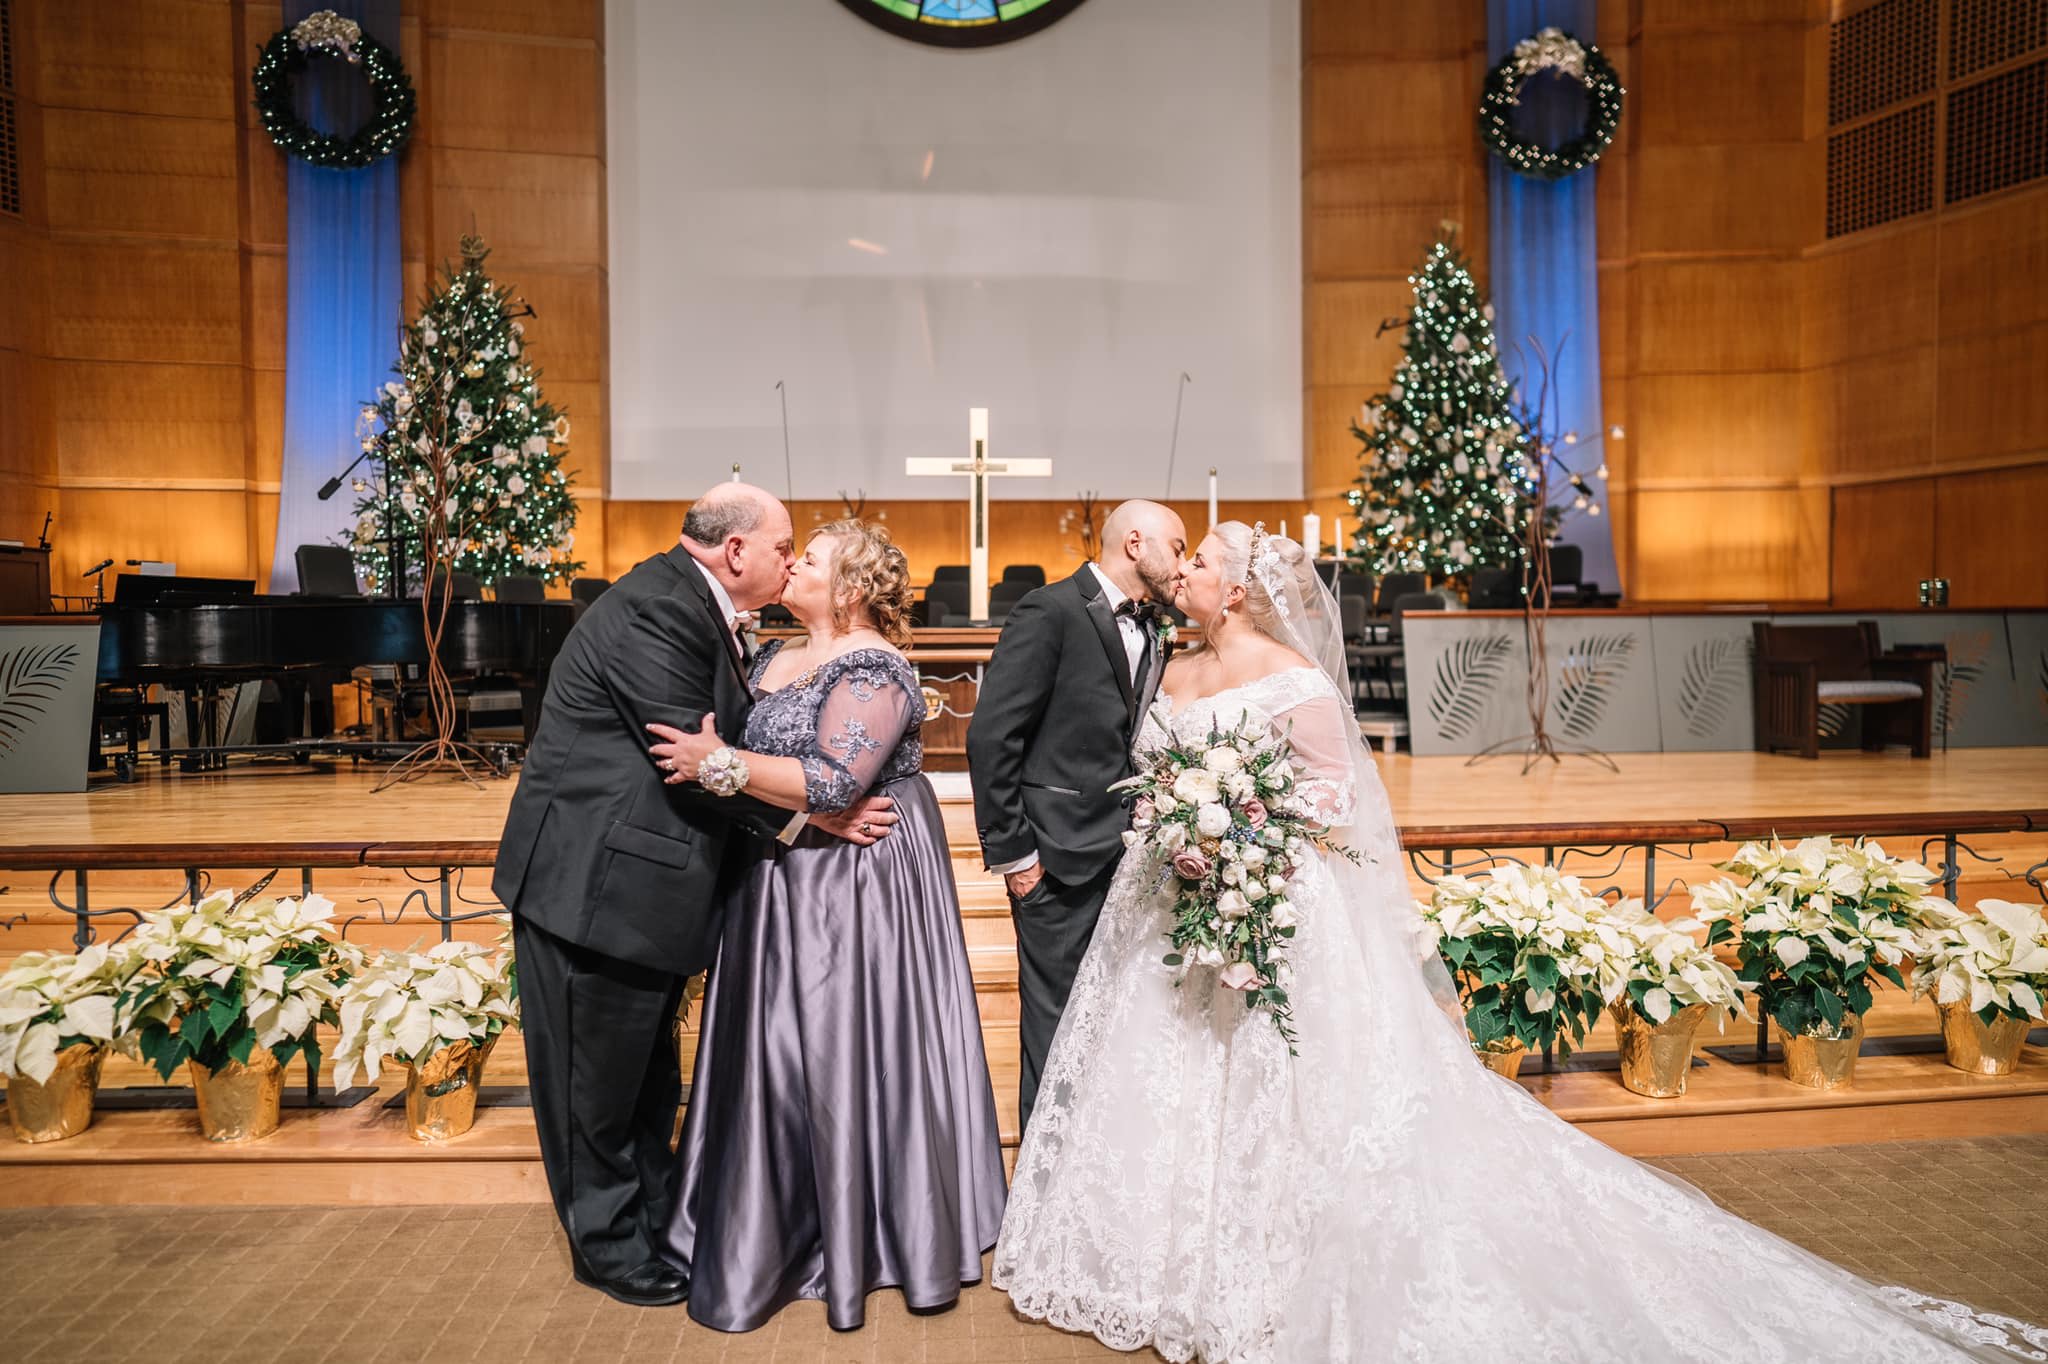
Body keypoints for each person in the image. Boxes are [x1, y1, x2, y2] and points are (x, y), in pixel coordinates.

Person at [993, 521, 2048, 1363]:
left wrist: (1239, 831)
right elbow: (1144, 766)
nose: (1182, 571)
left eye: (1202, 562)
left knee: (1281, 1076)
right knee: (1166, 1066)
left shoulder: (1295, 681)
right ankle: (1149, 1252)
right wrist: (1178, 821)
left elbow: (1334, 799)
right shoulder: (1169, 667)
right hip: (1167, 905)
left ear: (1237, 591)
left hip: (1267, 898)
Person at [492, 484, 896, 1309]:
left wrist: (783, 790)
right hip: (595, 887)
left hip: (640, 890)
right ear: (736, 550)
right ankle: (608, 1248)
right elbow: (695, 758)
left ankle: (650, 1221)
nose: (789, 561)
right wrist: (814, 813)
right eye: (782, 547)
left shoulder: (693, 604)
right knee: (591, 1088)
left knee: (640, 1080)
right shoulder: (660, 609)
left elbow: (718, 754)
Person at [646, 519, 1006, 1332]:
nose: (791, 565)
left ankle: (863, 1229)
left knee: (840, 1045)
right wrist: (759, 788)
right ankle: (765, 1219)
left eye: (807, 558)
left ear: (849, 588)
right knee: (774, 1048)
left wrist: (719, 764)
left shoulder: (873, 666)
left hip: (854, 884)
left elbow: (840, 781)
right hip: (777, 868)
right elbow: (795, 783)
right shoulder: (773, 654)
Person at [965, 499, 1187, 1133]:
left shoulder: (1157, 625)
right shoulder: (1050, 610)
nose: (1182, 563)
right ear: (1135, 543)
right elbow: (992, 736)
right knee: (1056, 1030)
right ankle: (1040, 1180)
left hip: (1131, 858)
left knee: (1114, 1025)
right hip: (1055, 859)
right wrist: (1017, 857)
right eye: (1176, 547)